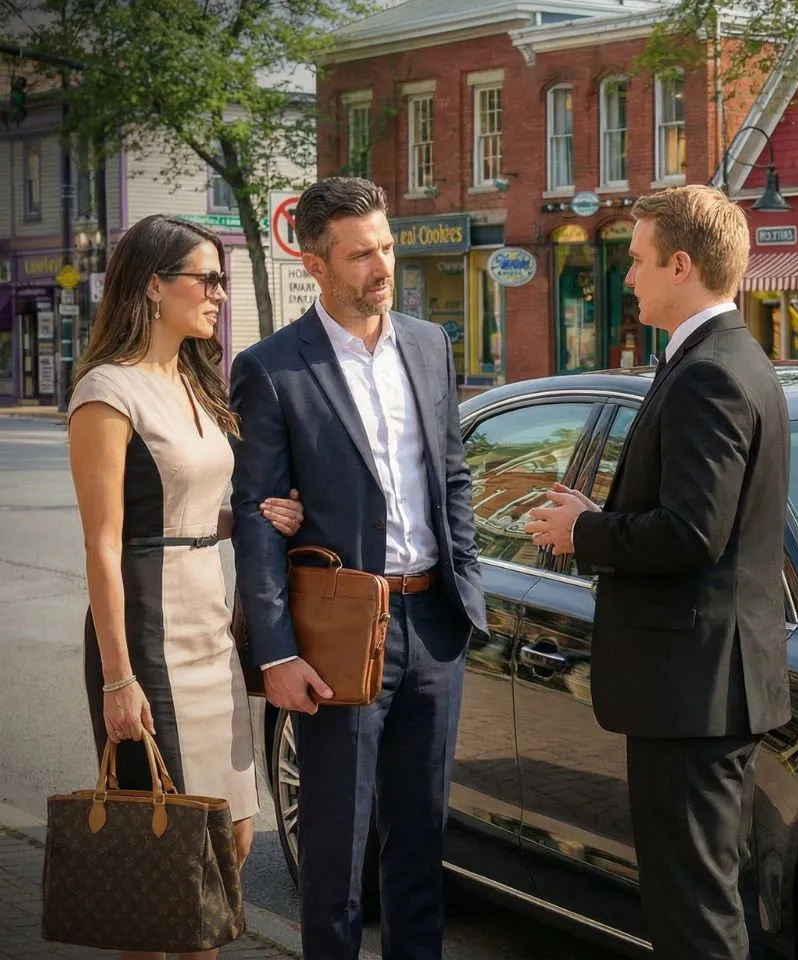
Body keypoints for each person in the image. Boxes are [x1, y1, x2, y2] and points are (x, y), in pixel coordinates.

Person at [526, 184, 792, 960]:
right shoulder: (728, 359)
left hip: (694, 693)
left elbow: (693, 533)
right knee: (700, 902)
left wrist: (586, 532)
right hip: (706, 687)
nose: (628, 277)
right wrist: (595, 512)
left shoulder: (711, 371)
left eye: (637, 261)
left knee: (693, 916)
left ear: (682, 265)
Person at [229, 176, 488, 960]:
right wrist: (275, 651)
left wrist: (464, 591)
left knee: (420, 848)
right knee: (336, 858)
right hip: (340, 636)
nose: (382, 265)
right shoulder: (272, 368)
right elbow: (257, 519)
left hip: (434, 624)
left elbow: (453, 476)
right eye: (361, 254)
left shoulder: (427, 343)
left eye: (386, 245)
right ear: (315, 264)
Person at [67, 214, 304, 960]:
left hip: (208, 630)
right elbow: (104, 545)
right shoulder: (107, 393)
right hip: (148, 635)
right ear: (151, 287)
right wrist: (117, 680)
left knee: (232, 838)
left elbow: (190, 505)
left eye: (221, 278)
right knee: (166, 859)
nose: (219, 294)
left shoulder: (195, 381)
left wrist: (257, 516)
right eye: (204, 279)